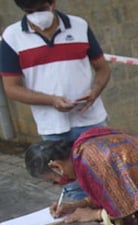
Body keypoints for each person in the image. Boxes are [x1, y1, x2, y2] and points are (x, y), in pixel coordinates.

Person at [0, 0, 110, 141]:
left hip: (92, 121)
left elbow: (103, 68)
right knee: (59, 164)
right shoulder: (12, 37)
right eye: (30, 11)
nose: (36, 15)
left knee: (100, 163)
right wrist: (51, 100)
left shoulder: (80, 26)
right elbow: (11, 88)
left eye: (41, 9)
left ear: (53, 3)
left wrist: (95, 91)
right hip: (52, 128)